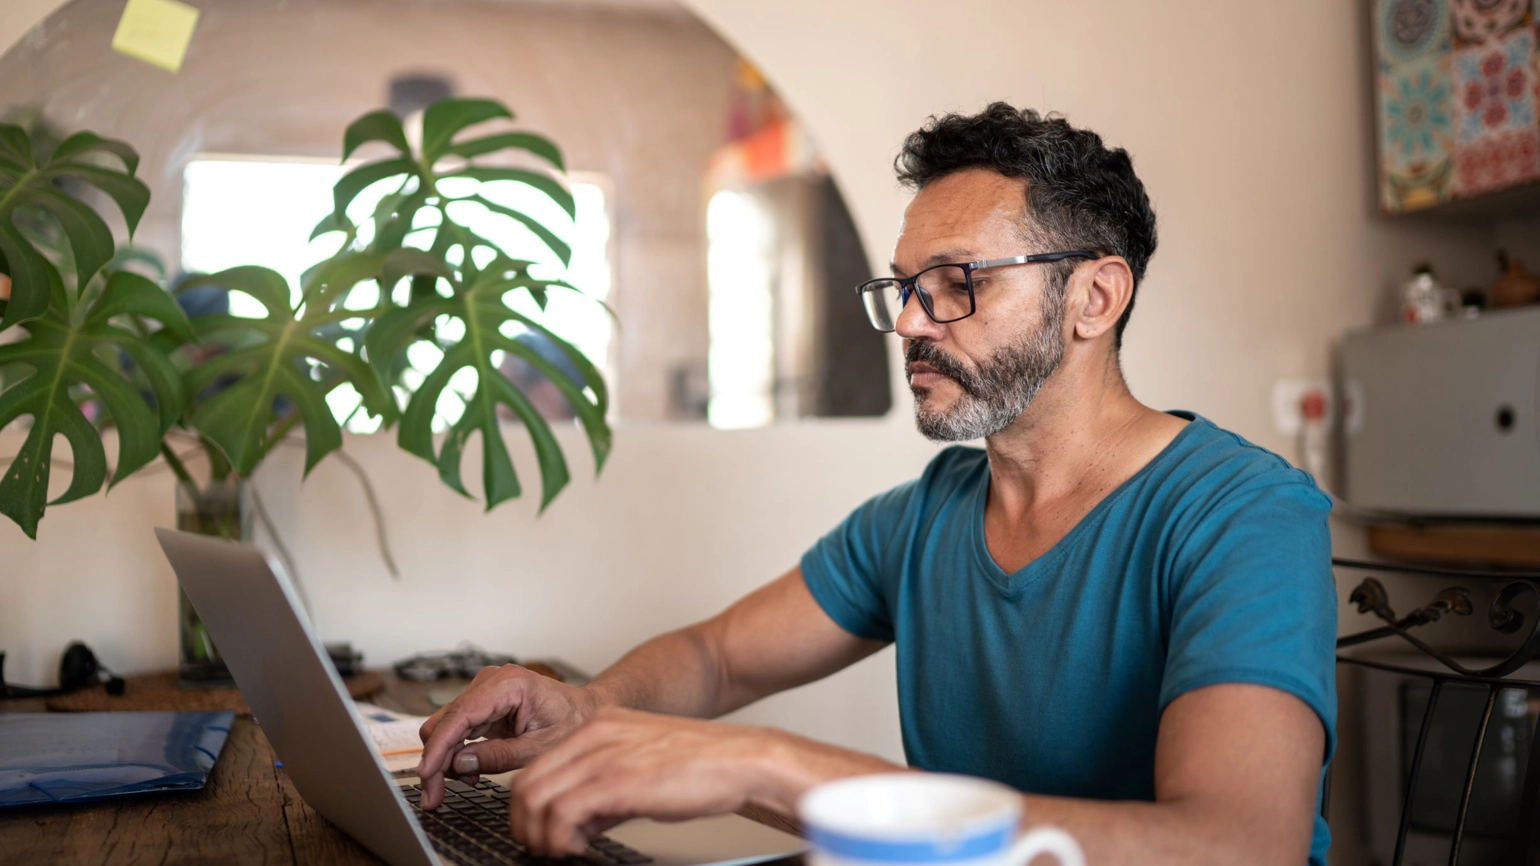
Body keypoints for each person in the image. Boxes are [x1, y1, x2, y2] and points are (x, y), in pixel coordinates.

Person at [416, 103, 1337, 866]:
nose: (909, 324)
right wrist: (592, 706)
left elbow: (1240, 845)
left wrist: (764, 767)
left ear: (1095, 298)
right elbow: (720, 657)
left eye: (955, 282)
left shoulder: (1244, 517)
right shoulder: (926, 517)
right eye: (903, 288)